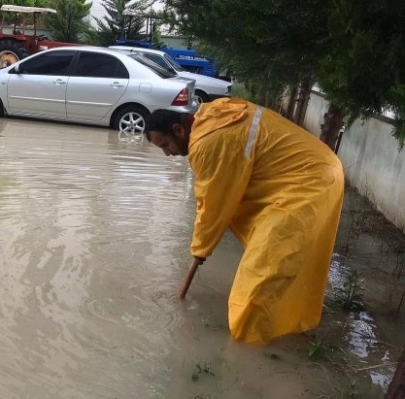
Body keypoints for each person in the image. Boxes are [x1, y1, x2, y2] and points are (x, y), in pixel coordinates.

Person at [145, 98, 345, 345]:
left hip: (310, 182)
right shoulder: (214, 115)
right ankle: (282, 329)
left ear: (178, 129)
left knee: (260, 275)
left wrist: (200, 249)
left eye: (166, 145)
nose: (169, 154)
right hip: (313, 171)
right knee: (275, 262)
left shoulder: (208, 142)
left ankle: (245, 349)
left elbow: (213, 204)